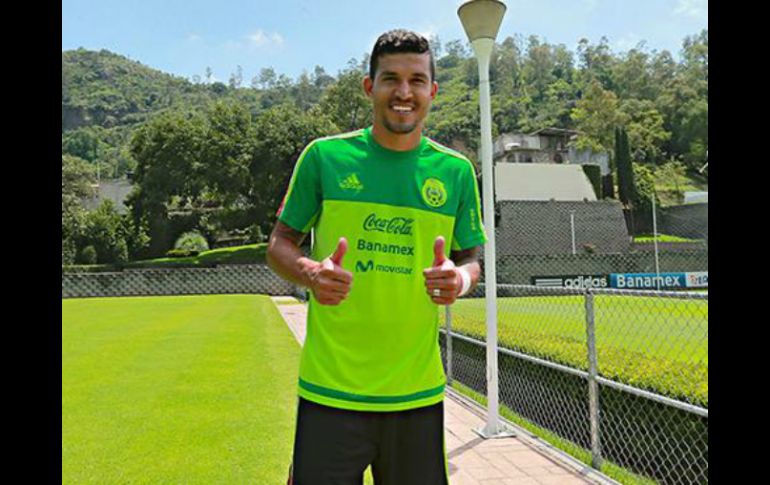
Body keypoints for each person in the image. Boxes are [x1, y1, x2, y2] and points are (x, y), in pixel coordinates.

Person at [266, 29, 487, 485]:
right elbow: (279, 244)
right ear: (370, 87)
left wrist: (459, 280)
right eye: (391, 79)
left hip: (416, 396)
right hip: (331, 392)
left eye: (416, 80)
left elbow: (472, 257)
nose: (404, 92)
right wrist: (311, 272)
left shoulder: (456, 172)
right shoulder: (324, 157)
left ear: (433, 90)